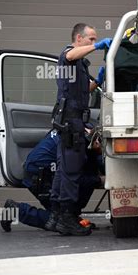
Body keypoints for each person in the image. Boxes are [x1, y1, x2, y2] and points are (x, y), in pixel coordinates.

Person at [46, 23, 110, 236]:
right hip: (70, 124)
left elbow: (84, 89)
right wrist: (99, 46)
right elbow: (71, 55)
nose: (93, 43)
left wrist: (98, 81)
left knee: (64, 170)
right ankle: (67, 217)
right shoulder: (68, 55)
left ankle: (58, 215)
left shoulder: (79, 65)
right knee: (71, 171)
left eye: (95, 40)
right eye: (91, 39)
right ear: (79, 38)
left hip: (73, 123)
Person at [0, 129, 104, 232]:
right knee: (59, 221)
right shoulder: (78, 146)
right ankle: (15, 210)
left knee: (66, 215)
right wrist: (99, 180)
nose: (102, 151)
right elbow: (72, 178)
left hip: (41, 170)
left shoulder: (75, 130)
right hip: (40, 175)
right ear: (96, 142)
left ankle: (70, 217)